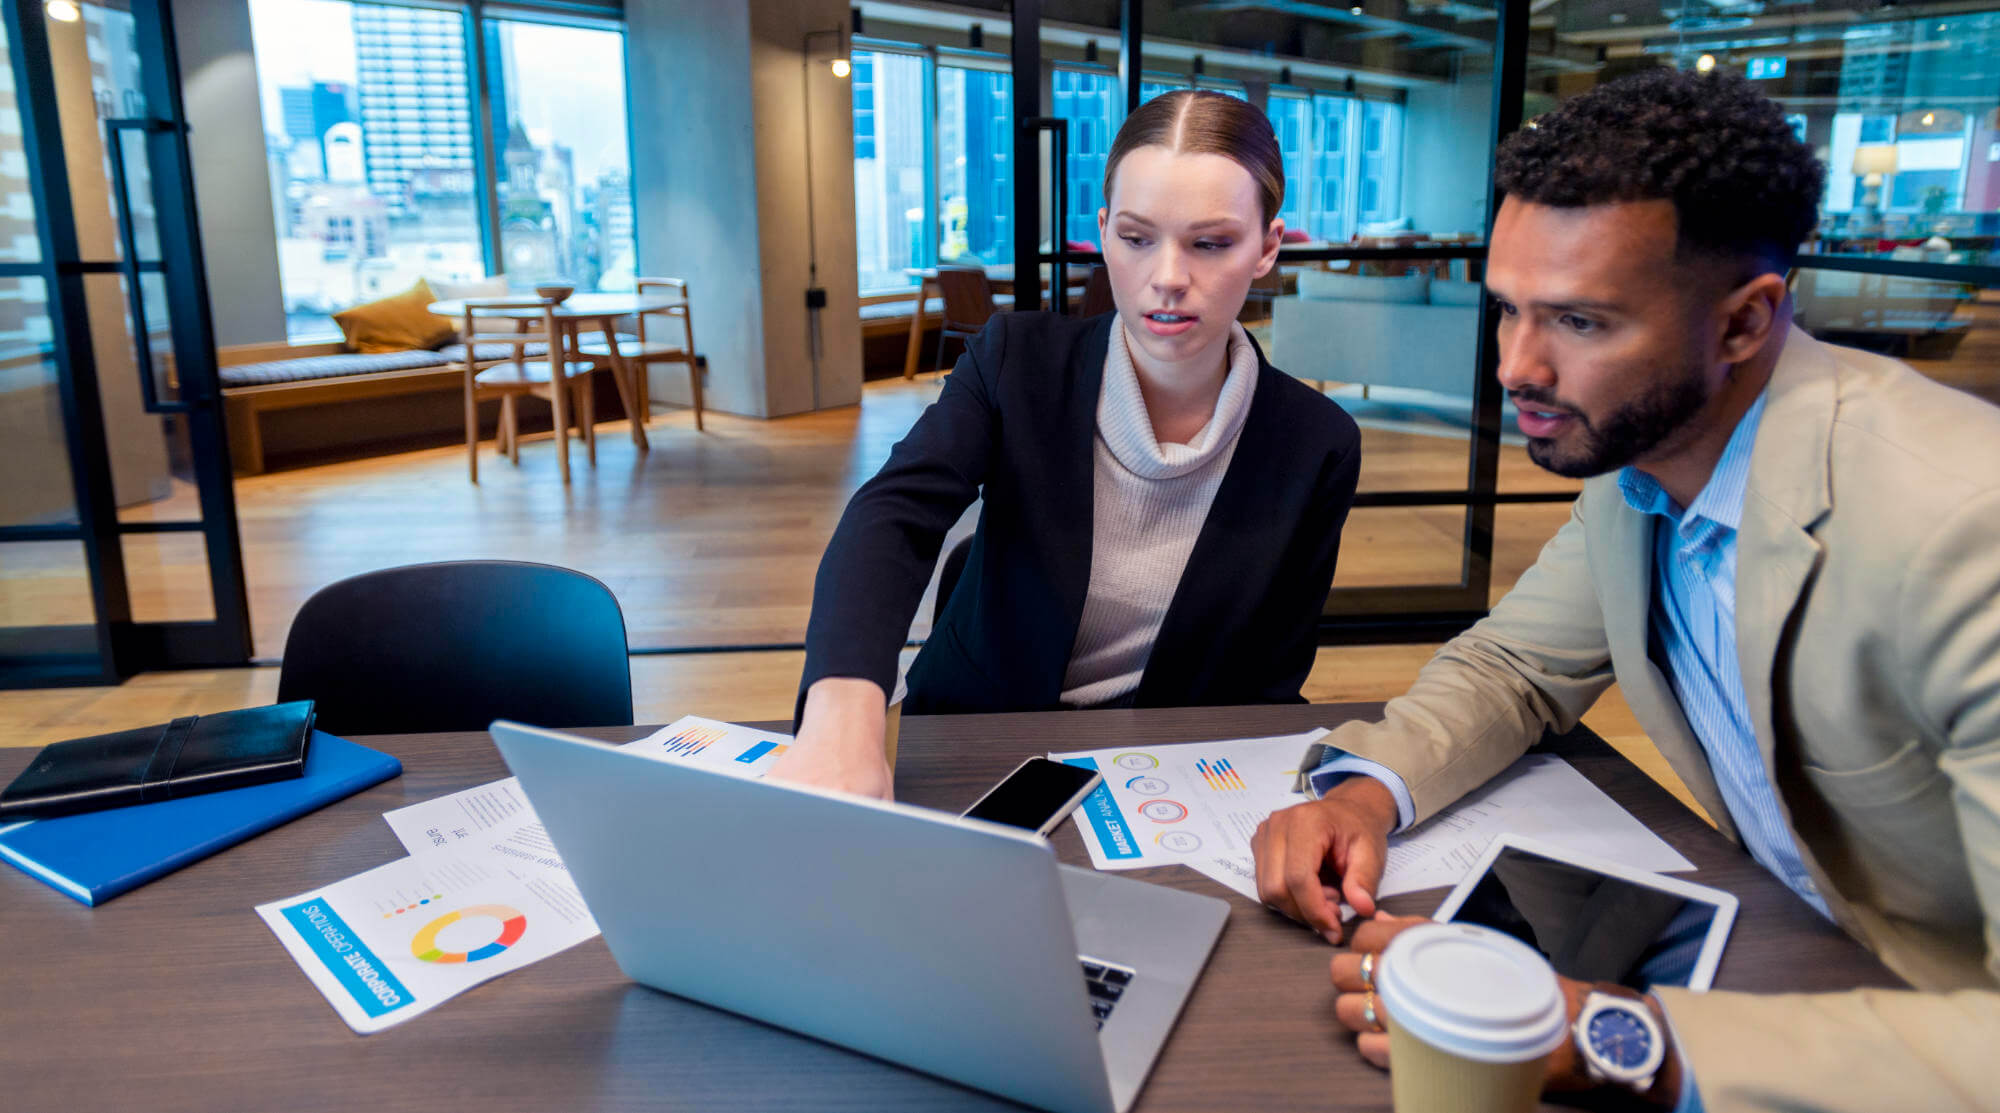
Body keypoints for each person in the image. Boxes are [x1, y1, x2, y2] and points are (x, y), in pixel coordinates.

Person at [1250, 68, 2000, 1111]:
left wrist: (1619, 1040)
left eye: (1580, 323)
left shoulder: (1967, 534)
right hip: (1793, 954)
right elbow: (1515, 666)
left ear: (1743, 322)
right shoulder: (1642, 465)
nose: (1514, 368)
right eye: (1508, 310)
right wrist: (1368, 788)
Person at [774, 91, 1362, 800]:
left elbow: (1266, 685)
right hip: (976, 735)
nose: (1169, 277)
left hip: (1163, 774)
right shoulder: (1016, 361)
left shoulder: (1316, 445)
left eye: (1211, 243)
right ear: (1104, 229)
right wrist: (841, 708)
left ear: (1269, 247)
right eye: (1138, 238)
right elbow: (894, 514)